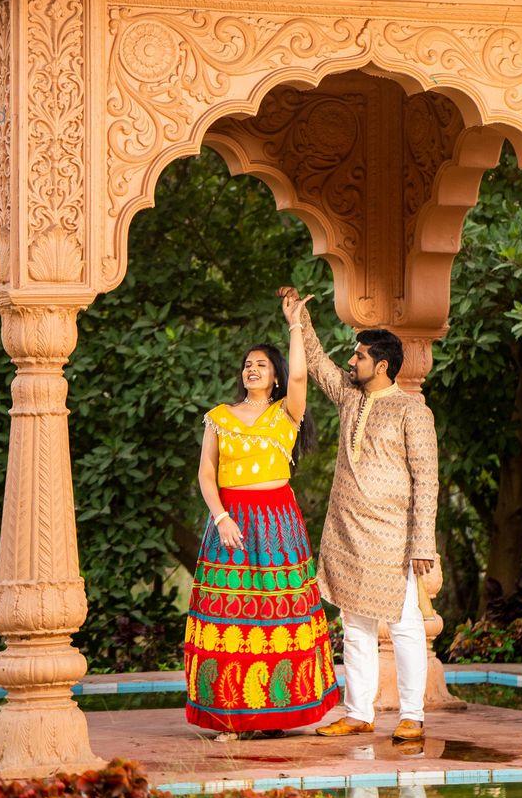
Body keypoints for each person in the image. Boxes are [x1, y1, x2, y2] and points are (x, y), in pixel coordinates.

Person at [280, 287, 438, 742]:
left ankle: (412, 714)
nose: (352, 362)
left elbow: (427, 479)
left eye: (360, 356)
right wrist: (297, 322)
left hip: (393, 536)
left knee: (405, 624)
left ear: (382, 364)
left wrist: (423, 542)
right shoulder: (350, 397)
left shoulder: (412, 411)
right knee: (355, 625)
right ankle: (359, 712)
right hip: (347, 530)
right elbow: (316, 362)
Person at [184, 304, 340, 736]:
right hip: (229, 524)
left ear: (275, 376)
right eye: (247, 365)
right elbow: (205, 473)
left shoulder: (286, 413)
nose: (252, 369)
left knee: (278, 616)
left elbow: (301, 378)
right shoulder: (218, 417)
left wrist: (294, 324)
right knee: (229, 617)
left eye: (262, 365)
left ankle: (276, 714)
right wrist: (220, 518)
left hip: (277, 523)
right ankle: (230, 719)